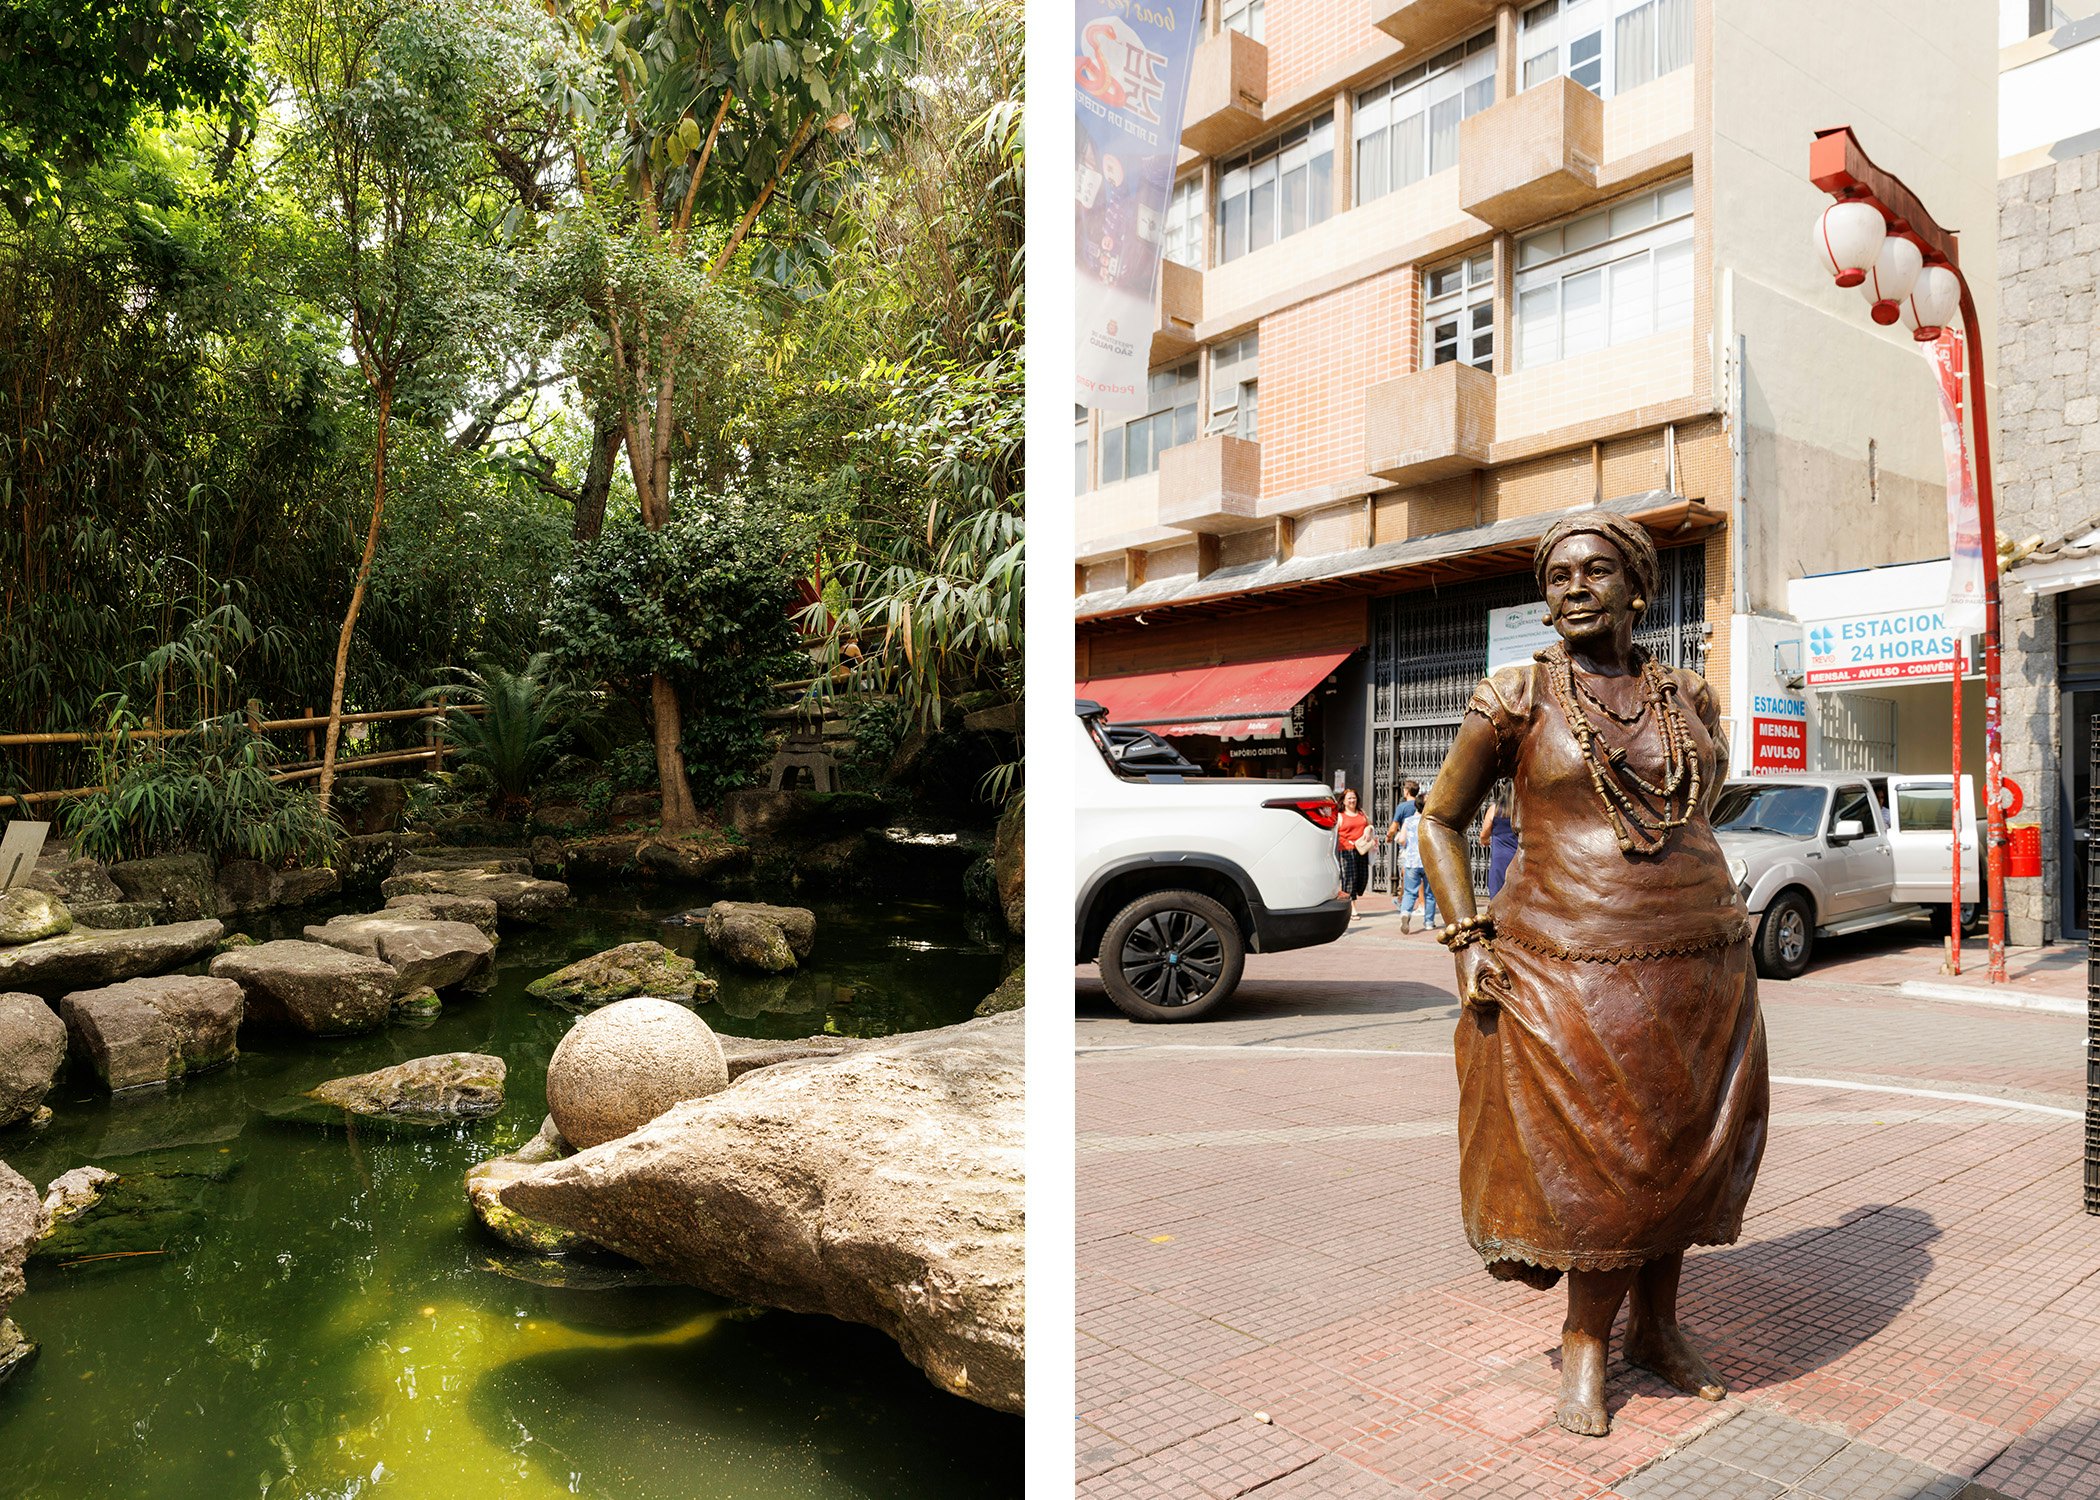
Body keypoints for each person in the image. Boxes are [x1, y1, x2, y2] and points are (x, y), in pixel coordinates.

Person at [1417, 512, 1768, 1439]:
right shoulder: (1516, 695)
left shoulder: (1686, 693)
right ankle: (1584, 1343)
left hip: (1702, 965)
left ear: (1637, 588)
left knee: (1683, 1158)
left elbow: (1699, 804)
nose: (1574, 587)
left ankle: (1656, 1328)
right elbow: (1439, 820)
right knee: (1602, 1168)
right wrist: (1467, 940)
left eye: (1597, 571)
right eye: (1559, 575)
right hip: (1567, 968)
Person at [1395, 794, 1438, 934]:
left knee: (1409, 892)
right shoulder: (1432, 821)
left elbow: (1402, 839)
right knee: (1430, 894)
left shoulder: (1408, 821)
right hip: (1429, 862)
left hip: (1412, 861)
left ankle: (1405, 912)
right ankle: (1429, 922)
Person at [1334, 787, 1371, 916]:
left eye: (1354, 798)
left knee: (1362, 877)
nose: (1352, 800)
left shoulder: (1361, 813)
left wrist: (1368, 830)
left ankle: (1350, 902)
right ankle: (1351, 908)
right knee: (1350, 879)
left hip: (1361, 850)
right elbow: (1335, 833)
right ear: (1344, 801)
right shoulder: (1340, 816)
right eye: (1349, 798)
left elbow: (1370, 825)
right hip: (1346, 850)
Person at [1386, 779, 1421, 913]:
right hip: (1420, 843)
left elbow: (1394, 826)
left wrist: (1389, 836)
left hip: (1407, 844)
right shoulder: (1421, 805)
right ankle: (1406, 900)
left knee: (1406, 872)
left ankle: (1405, 901)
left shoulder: (1402, 807)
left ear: (1406, 791)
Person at [1480, 782, 1519, 898]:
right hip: (1517, 857)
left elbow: (1484, 833)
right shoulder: (1520, 811)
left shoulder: (1494, 809)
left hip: (1500, 858)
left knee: (1497, 892)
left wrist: (1485, 841)